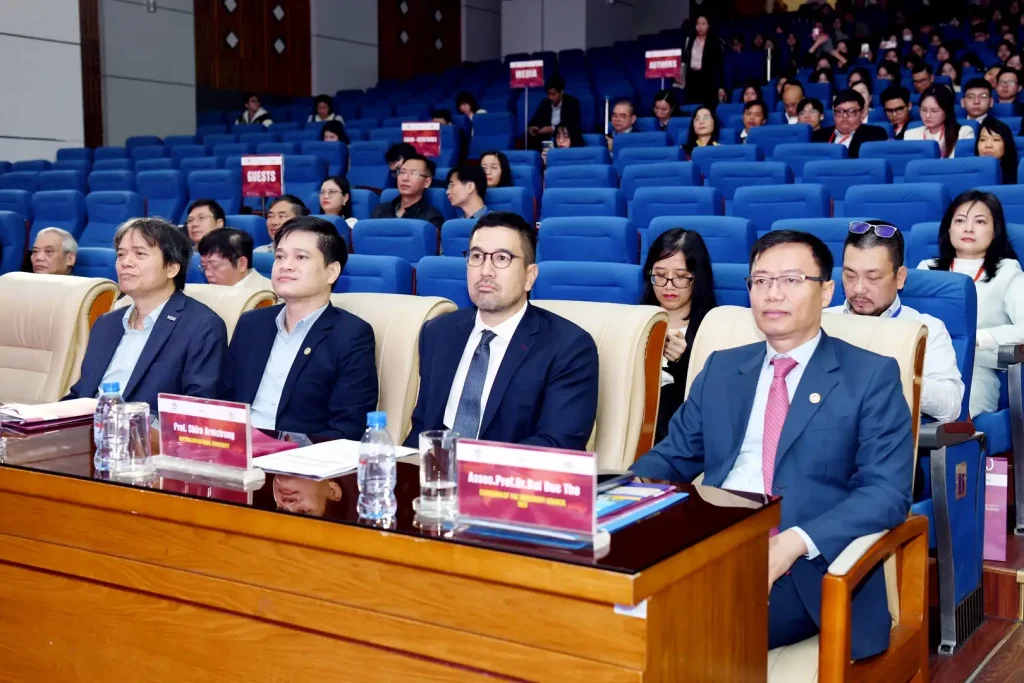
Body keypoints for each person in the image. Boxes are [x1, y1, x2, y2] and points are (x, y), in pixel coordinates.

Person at [629, 229, 913, 662]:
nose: (772, 293)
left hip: (806, 568)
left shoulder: (870, 375)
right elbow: (672, 457)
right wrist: (616, 499)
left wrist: (794, 542)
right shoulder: (723, 369)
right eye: (760, 281)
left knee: (677, 623)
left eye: (791, 280)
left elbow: (886, 492)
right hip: (713, 543)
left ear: (826, 291)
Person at [404, 211, 599, 450]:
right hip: (435, 469)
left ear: (529, 276)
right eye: (477, 256)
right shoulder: (438, 332)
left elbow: (557, 444)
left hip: (510, 473)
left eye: (502, 258)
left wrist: (471, 464)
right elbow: (423, 427)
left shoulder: (569, 347)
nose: (485, 270)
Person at [222, 216, 378, 440]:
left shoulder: (351, 334)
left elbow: (348, 428)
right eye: (280, 256)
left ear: (332, 272)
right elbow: (223, 399)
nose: (285, 265)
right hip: (235, 447)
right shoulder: (252, 323)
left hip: (298, 455)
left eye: (301, 257)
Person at [66, 217, 228, 409]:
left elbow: (196, 409)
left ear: (171, 268)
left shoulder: (202, 326)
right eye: (121, 254)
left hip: (147, 427)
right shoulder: (106, 323)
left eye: (140, 254)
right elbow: (81, 393)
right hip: (88, 423)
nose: (125, 262)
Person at [826, 221, 964, 422]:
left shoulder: (925, 328)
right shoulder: (823, 322)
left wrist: (898, 377)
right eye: (849, 276)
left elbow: (950, 405)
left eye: (873, 278)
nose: (858, 289)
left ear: (900, 277)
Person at [920, 191, 1024, 417]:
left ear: (995, 232)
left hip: (974, 371)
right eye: (960, 221)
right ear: (948, 229)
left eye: (980, 221)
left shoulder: (1007, 271)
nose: (968, 229)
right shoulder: (926, 269)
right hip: (925, 368)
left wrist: (976, 339)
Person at [640, 228, 717, 440]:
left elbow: (716, 399)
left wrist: (684, 363)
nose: (669, 286)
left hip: (680, 436)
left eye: (681, 277)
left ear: (698, 278)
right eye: (660, 276)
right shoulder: (634, 320)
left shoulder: (714, 327)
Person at [370, 153, 444, 231]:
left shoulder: (431, 219)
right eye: (402, 172)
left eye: (413, 173)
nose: (405, 178)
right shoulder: (380, 210)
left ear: (427, 182)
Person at [811, 90, 887, 157]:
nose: (845, 116)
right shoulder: (818, 136)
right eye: (839, 111)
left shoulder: (875, 135)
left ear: (862, 113)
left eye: (851, 111)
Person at [903, 85, 974, 158]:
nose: (927, 115)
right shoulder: (910, 135)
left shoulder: (963, 133)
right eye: (924, 110)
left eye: (934, 111)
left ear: (947, 111)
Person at [197, 228, 272, 290]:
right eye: (204, 267)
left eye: (215, 266)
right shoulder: (208, 291)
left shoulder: (266, 296)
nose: (208, 274)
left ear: (241, 264)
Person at [527, 76, 582, 150]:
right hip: (547, 136)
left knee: (574, 134)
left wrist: (552, 129)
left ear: (561, 92)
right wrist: (532, 127)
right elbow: (535, 120)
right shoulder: (545, 103)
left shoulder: (572, 103)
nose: (551, 98)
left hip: (564, 134)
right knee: (527, 136)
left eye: (553, 94)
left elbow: (573, 125)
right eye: (549, 94)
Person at [682, 13, 725, 106]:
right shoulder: (690, 40)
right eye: (698, 24)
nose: (700, 27)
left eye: (703, 23)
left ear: (708, 25)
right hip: (691, 81)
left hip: (708, 82)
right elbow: (685, 61)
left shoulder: (714, 41)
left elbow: (720, 65)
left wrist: (721, 86)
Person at [977, 116, 1019, 184]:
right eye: (983, 139)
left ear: (1006, 144)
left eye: (996, 140)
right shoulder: (968, 172)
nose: (988, 145)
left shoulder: (1018, 173)